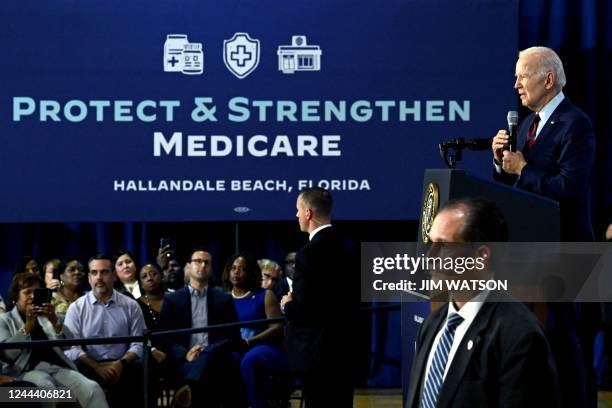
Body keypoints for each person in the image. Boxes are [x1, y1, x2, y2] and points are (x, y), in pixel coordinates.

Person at [406, 198, 560, 408]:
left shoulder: (520, 334)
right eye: (430, 243)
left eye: (442, 245)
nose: (429, 257)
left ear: (481, 256)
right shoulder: (431, 325)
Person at [492, 46, 595, 242]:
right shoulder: (527, 123)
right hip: (528, 239)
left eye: (523, 76)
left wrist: (522, 168)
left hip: (563, 244)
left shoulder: (575, 124)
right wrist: (501, 162)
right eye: (516, 77)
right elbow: (514, 185)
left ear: (548, 80)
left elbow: (569, 189)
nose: (516, 85)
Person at [280, 188, 359, 407]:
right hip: (344, 350)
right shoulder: (348, 246)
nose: (296, 215)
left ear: (308, 213)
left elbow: (306, 309)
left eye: (297, 210)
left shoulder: (308, 252)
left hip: (317, 355)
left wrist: (287, 305)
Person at [0, 273, 108, 408]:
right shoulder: (4, 320)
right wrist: (27, 328)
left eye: (36, 292)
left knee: (92, 388)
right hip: (25, 371)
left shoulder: (47, 316)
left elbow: (69, 345)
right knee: (47, 389)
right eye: (27, 292)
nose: (33, 296)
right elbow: (7, 356)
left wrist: (55, 321)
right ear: (16, 296)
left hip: (57, 368)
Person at [160, 247, 241, 408]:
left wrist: (208, 351)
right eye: (197, 261)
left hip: (216, 358)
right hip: (184, 361)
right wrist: (185, 354)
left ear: (211, 269)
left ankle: (187, 389)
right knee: (206, 380)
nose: (202, 265)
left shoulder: (223, 299)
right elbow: (163, 336)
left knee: (212, 370)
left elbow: (233, 336)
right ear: (188, 267)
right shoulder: (172, 300)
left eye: (207, 263)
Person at [63, 253, 146, 407]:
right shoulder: (76, 308)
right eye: (94, 273)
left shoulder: (131, 305)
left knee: (142, 368)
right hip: (89, 366)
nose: (99, 277)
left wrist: (120, 364)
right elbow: (71, 348)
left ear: (114, 276)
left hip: (123, 364)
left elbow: (139, 343)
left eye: (104, 272)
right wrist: (96, 367)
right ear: (89, 278)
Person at [223, 252, 287, 408]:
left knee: (252, 358)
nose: (236, 272)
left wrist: (249, 342)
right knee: (226, 359)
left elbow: (277, 328)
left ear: (251, 272)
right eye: (233, 268)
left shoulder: (265, 295)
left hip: (266, 348)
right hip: (236, 348)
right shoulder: (222, 298)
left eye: (242, 269)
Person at [50, 258, 87, 323]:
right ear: (62, 276)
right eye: (72, 270)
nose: (77, 272)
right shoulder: (52, 299)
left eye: (81, 270)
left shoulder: (91, 299)